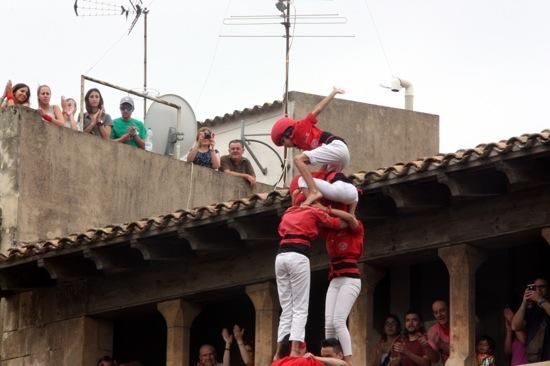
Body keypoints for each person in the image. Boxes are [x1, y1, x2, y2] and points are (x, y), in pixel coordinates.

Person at [274, 193, 355, 359]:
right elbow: (339, 224)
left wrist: (310, 200)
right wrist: (348, 213)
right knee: (300, 307)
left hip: (280, 257)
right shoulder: (312, 212)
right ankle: (295, 349)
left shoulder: (288, 212)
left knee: (286, 308)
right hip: (298, 255)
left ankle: (278, 353)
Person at [270, 86, 347, 206]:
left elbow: (318, 109)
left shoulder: (301, 126)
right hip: (338, 159)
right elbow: (324, 160)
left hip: (337, 146)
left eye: (283, 142)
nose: (286, 146)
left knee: (298, 160)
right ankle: (320, 206)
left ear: (287, 133)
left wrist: (333, 92)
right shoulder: (304, 147)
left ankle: (314, 192)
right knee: (323, 179)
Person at [323, 211, 363, 365]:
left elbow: (351, 219)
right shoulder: (331, 230)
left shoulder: (356, 228)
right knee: (329, 323)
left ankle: (348, 360)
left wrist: (328, 209)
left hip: (350, 279)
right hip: (335, 279)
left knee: (339, 321)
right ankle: (329, 357)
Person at [511, 278, 550, 362]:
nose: (538, 290)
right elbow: (515, 326)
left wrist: (539, 299)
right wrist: (524, 302)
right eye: (535, 287)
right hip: (536, 359)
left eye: (542, 287)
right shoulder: (530, 309)